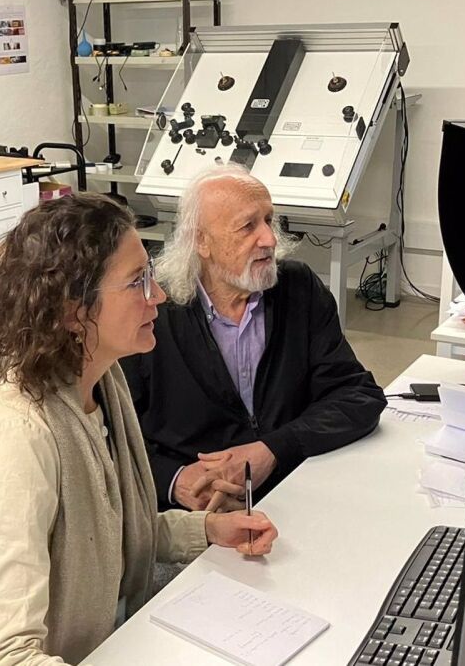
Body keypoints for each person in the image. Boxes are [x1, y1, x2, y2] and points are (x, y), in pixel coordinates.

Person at [0, 193, 278, 666]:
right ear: (73, 312)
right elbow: (6, 656)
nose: (158, 295)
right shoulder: (17, 440)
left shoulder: (101, 381)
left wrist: (208, 529)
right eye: (137, 282)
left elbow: (108, 533)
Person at [122, 164, 388, 511]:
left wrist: (273, 449)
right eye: (248, 226)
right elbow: (111, 434)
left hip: (296, 490)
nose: (269, 239)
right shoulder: (152, 312)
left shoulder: (298, 289)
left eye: (269, 220)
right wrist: (174, 481)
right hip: (195, 515)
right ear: (201, 241)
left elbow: (357, 395)